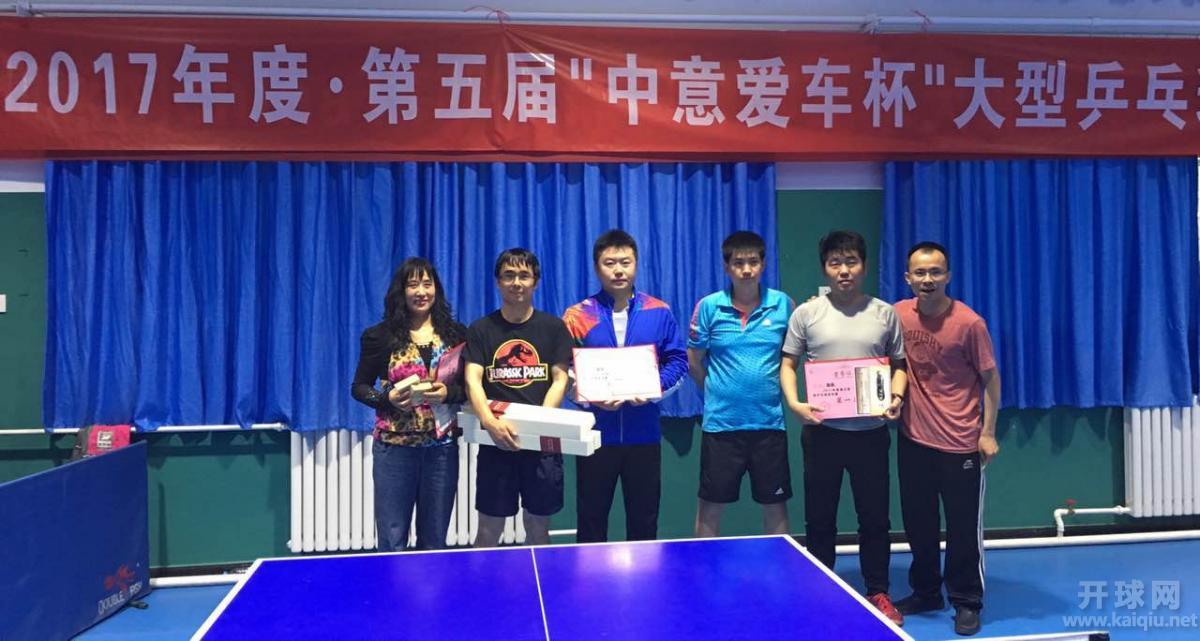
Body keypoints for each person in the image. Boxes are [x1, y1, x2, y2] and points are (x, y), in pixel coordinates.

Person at [779, 230, 907, 625]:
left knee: (875, 518)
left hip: (871, 434)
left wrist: (896, 397)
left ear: (863, 266)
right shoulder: (807, 314)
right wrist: (795, 403)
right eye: (835, 263)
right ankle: (820, 588)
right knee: (820, 517)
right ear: (825, 269)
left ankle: (878, 590)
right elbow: (788, 363)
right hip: (822, 433)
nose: (844, 270)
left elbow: (899, 366)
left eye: (851, 261)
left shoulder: (884, 313)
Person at [892, 241, 1000, 637]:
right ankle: (926, 592)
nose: (928, 279)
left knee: (961, 529)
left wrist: (987, 432)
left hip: (960, 443)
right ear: (908, 278)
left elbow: (991, 380)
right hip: (913, 440)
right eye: (920, 272)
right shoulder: (898, 314)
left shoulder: (970, 323)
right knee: (918, 523)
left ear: (948, 276)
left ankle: (966, 600)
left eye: (935, 271)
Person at [562, 229, 688, 542]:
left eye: (625, 262)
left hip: (644, 435)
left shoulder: (659, 311)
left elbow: (678, 362)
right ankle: (589, 574)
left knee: (644, 521)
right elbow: (563, 370)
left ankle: (645, 575)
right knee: (591, 521)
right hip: (595, 436)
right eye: (610, 263)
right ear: (597, 268)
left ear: (636, 264)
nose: (618, 270)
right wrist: (589, 398)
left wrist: (652, 389)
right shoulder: (577, 315)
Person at [351, 257, 467, 551]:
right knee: (392, 537)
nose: (421, 292)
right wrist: (385, 399)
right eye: (413, 285)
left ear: (436, 289)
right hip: (394, 450)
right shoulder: (379, 336)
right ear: (401, 291)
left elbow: (469, 389)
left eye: (427, 284)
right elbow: (359, 387)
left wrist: (448, 393)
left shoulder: (456, 334)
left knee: (435, 538)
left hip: (441, 449)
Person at [687, 231, 795, 538]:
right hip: (721, 426)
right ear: (726, 267)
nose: (746, 270)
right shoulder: (708, 307)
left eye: (753, 262)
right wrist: (718, 391)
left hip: (768, 424)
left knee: (775, 505)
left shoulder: (784, 305)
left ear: (763, 264)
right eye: (738, 263)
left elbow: (792, 358)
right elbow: (694, 361)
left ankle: (777, 562)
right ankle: (705, 563)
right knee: (710, 506)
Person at [464, 248, 573, 547]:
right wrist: (490, 423)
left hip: (542, 445)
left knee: (538, 529)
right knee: (488, 531)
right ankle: (483, 580)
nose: (516, 282)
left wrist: (538, 425)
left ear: (535, 281)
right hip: (496, 442)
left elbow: (560, 379)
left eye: (524, 275)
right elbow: (472, 381)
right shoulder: (481, 329)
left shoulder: (554, 328)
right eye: (509, 275)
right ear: (497, 282)